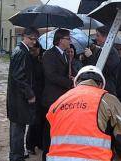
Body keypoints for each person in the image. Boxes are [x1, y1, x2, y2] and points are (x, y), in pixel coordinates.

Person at [46, 65, 121, 161]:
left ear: (76, 82)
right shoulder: (107, 99)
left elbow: (49, 136)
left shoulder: (58, 102)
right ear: (101, 85)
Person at [6, 27, 39, 161]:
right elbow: (19, 77)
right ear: (24, 36)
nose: (34, 42)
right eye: (32, 39)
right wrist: (30, 94)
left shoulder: (24, 51)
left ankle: (18, 153)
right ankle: (16, 156)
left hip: (18, 98)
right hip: (18, 98)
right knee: (17, 129)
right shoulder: (21, 52)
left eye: (35, 39)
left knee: (19, 127)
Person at [41, 28, 73, 161]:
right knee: (49, 130)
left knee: (59, 130)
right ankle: (46, 156)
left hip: (62, 99)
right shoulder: (49, 54)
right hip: (51, 98)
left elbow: (66, 73)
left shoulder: (66, 55)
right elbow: (51, 75)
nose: (70, 41)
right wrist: (69, 83)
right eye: (68, 39)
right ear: (61, 40)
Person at [81, 26, 120, 95]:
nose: (96, 38)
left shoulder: (112, 52)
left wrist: (90, 56)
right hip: (99, 87)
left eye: (98, 35)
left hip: (106, 89)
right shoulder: (101, 50)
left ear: (105, 37)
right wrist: (85, 58)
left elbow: (103, 70)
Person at [25, 41, 45, 155]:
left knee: (41, 120)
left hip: (42, 93)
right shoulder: (30, 60)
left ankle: (39, 142)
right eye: (32, 50)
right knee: (34, 121)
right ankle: (30, 145)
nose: (34, 52)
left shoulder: (42, 58)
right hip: (34, 93)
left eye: (35, 50)